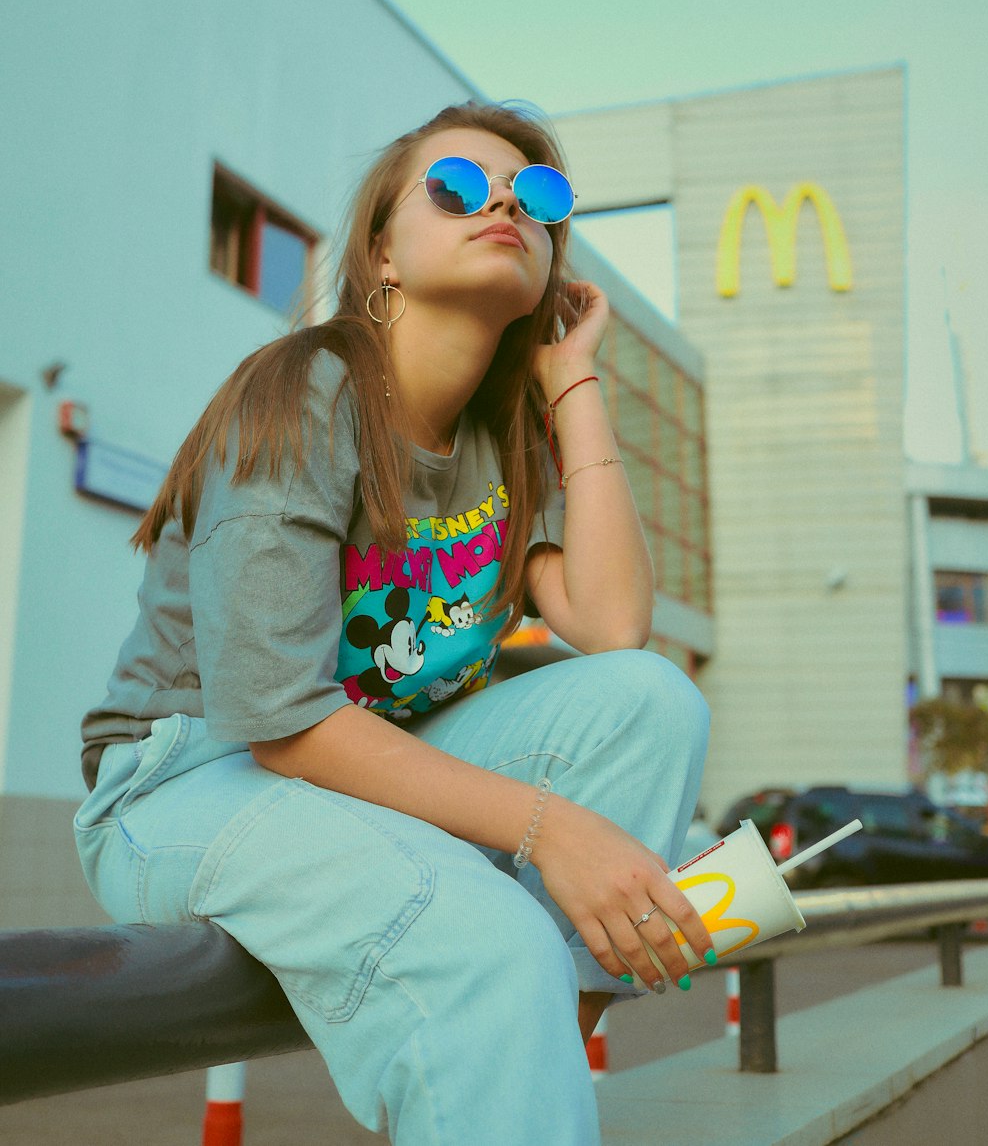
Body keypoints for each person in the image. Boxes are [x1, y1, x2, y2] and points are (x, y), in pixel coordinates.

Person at [75, 100, 714, 1145]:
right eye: (457, 187)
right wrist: (553, 831)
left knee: (648, 702)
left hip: (373, 770)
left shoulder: (503, 445)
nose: (504, 200)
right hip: (186, 779)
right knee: (490, 936)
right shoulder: (300, 391)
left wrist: (573, 380)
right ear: (382, 250)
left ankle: (542, 1025)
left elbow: (611, 630)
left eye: (538, 198)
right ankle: (505, 1007)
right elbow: (276, 717)